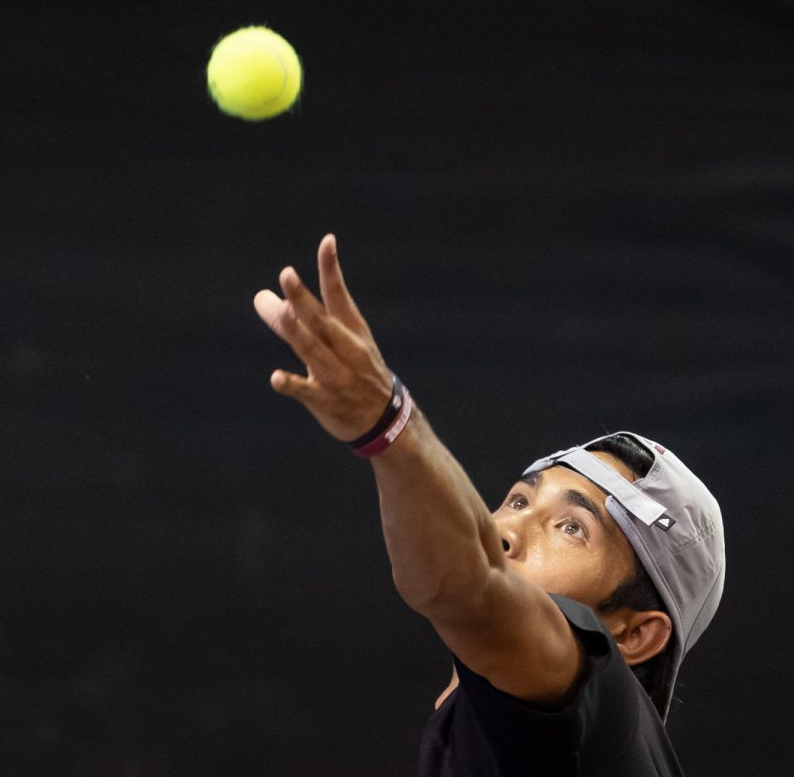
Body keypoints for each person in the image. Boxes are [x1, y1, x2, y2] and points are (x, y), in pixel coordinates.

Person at [253, 234, 726, 777]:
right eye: (518, 500)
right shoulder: (495, 732)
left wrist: (387, 424)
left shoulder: (604, 710)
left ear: (633, 633)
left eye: (571, 528)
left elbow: (466, 588)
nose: (507, 531)